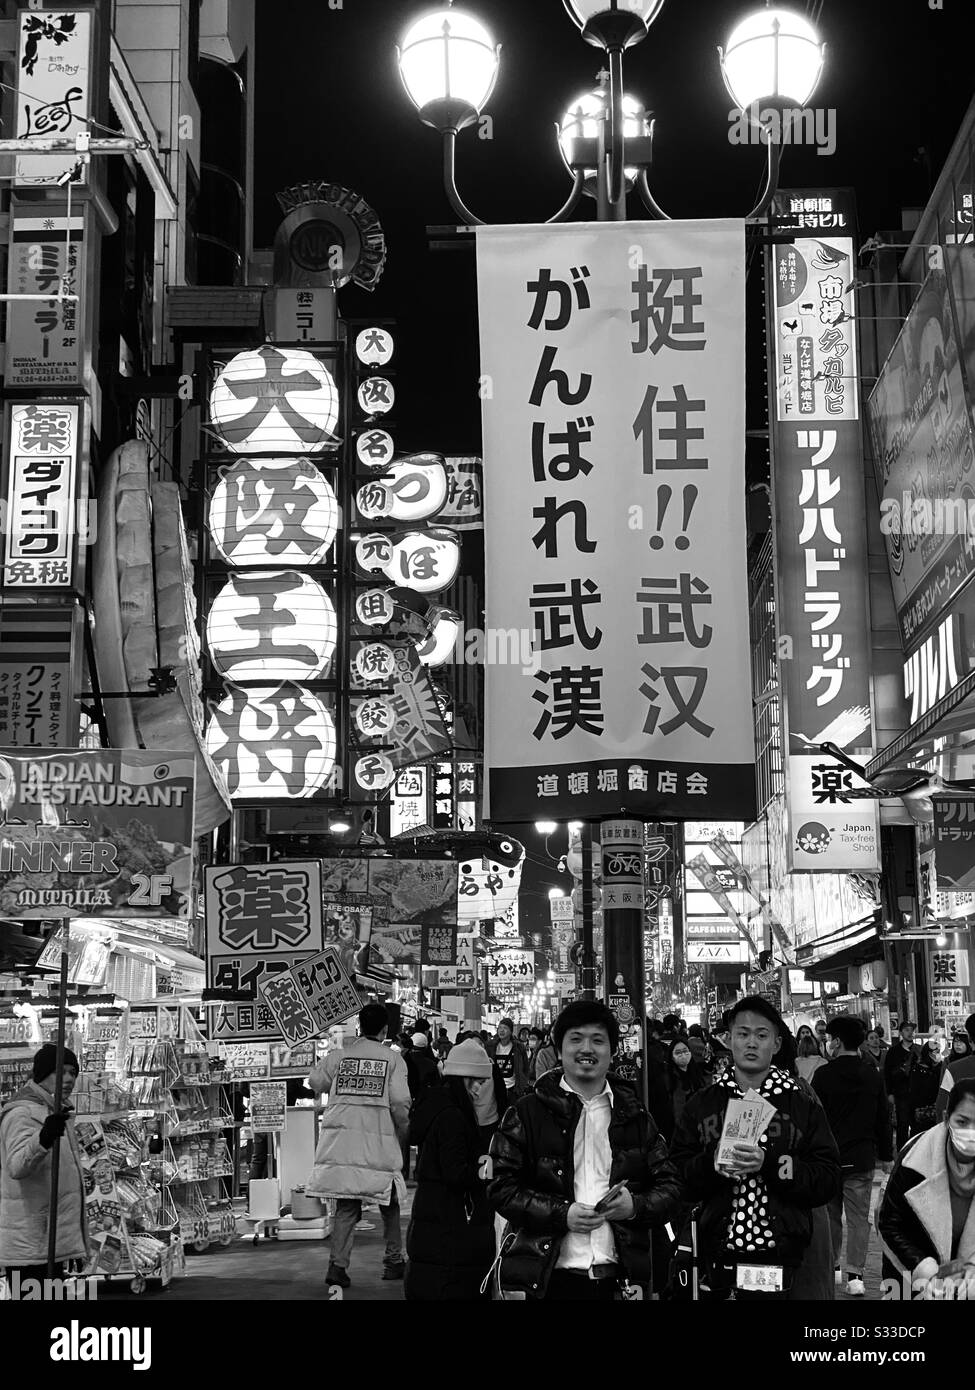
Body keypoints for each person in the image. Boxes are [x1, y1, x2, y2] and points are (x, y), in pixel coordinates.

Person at [487, 1000, 681, 1300]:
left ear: (612, 1050)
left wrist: (635, 1207)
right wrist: (561, 1214)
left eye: (598, 1040)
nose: (586, 1048)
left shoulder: (634, 1116)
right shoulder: (527, 1113)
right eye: (576, 1039)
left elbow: (670, 1186)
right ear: (558, 1048)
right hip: (548, 1280)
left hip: (621, 1281)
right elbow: (500, 1185)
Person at [669, 996, 841, 1301]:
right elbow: (677, 1175)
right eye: (743, 1034)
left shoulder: (801, 1105)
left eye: (761, 1035)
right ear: (729, 1040)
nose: (751, 1043)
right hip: (716, 1259)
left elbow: (826, 1177)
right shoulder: (703, 1103)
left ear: (775, 1044)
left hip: (782, 1259)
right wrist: (713, 1163)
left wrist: (770, 1163)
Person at [307, 1003, 411, 1289]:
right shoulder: (393, 1060)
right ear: (385, 1029)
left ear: (359, 1027)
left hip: (343, 1145)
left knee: (347, 1205)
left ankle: (337, 1266)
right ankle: (393, 1261)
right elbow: (401, 1103)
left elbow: (315, 1081)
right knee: (388, 1202)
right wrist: (403, 1127)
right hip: (379, 1142)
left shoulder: (339, 1057)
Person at [404, 1041, 496, 1300]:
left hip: (431, 1219)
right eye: (475, 1082)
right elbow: (456, 1173)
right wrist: (488, 1169)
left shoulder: (434, 1106)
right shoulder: (452, 1117)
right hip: (448, 1225)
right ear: (461, 1079)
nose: (478, 1090)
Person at [812, 1016, 893, 1297]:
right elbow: (883, 1118)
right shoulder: (872, 1074)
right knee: (859, 1218)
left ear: (836, 1041)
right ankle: (856, 1276)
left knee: (830, 1215)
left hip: (828, 1157)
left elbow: (814, 1117)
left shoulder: (823, 1075)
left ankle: (833, 1267)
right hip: (861, 1157)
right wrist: (887, 1155)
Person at [878, 1078, 975, 1298]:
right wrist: (926, 1272)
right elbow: (889, 1223)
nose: (971, 1132)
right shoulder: (914, 1160)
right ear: (946, 1118)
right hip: (908, 1273)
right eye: (962, 1121)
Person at [0, 1044, 89, 1283]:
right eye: (61, 1071)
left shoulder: (56, 1112)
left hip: (49, 1242)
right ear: (42, 1074)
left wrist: (73, 1242)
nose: (69, 1079)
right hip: (31, 1245)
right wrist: (43, 1139)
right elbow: (17, 1166)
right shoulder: (23, 1114)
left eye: (73, 1072)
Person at [663, 1037, 709, 1138]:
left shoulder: (696, 1073)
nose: (683, 1055)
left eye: (685, 1051)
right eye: (678, 1052)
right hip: (679, 1130)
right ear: (672, 1056)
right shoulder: (669, 1078)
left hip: (700, 1126)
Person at [885, 1021, 920, 1148]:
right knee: (902, 1125)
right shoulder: (893, 1052)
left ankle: (916, 1151)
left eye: (912, 1030)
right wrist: (889, 1093)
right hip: (900, 1094)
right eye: (907, 1030)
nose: (910, 1033)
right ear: (901, 1033)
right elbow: (887, 1074)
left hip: (916, 1094)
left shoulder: (919, 1050)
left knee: (917, 1125)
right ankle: (902, 1152)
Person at [485, 1018, 529, 1107]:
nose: (501, 1030)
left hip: (512, 1089)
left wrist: (522, 1085)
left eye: (505, 1028)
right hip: (495, 1089)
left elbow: (525, 1068)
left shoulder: (518, 1048)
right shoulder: (490, 1046)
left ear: (511, 1031)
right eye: (499, 1028)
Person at [935, 1030, 975, 1119]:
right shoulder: (948, 1062)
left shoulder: (970, 1061)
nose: (957, 1044)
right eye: (955, 1042)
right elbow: (943, 1087)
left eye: (961, 1042)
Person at [908, 1040, 944, 1134]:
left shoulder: (939, 1067)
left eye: (938, 1051)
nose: (937, 1054)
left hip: (935, 1112)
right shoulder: (917, 1069)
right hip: (921, 1113)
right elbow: (914, 1093)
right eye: (935, 1052)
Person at [406, 1032, 440, 1101]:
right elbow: (436, 1086)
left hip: (406, 1099)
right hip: (424, 1101)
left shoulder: (404, 1060)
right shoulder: (431, 1064)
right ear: (426, 1047)